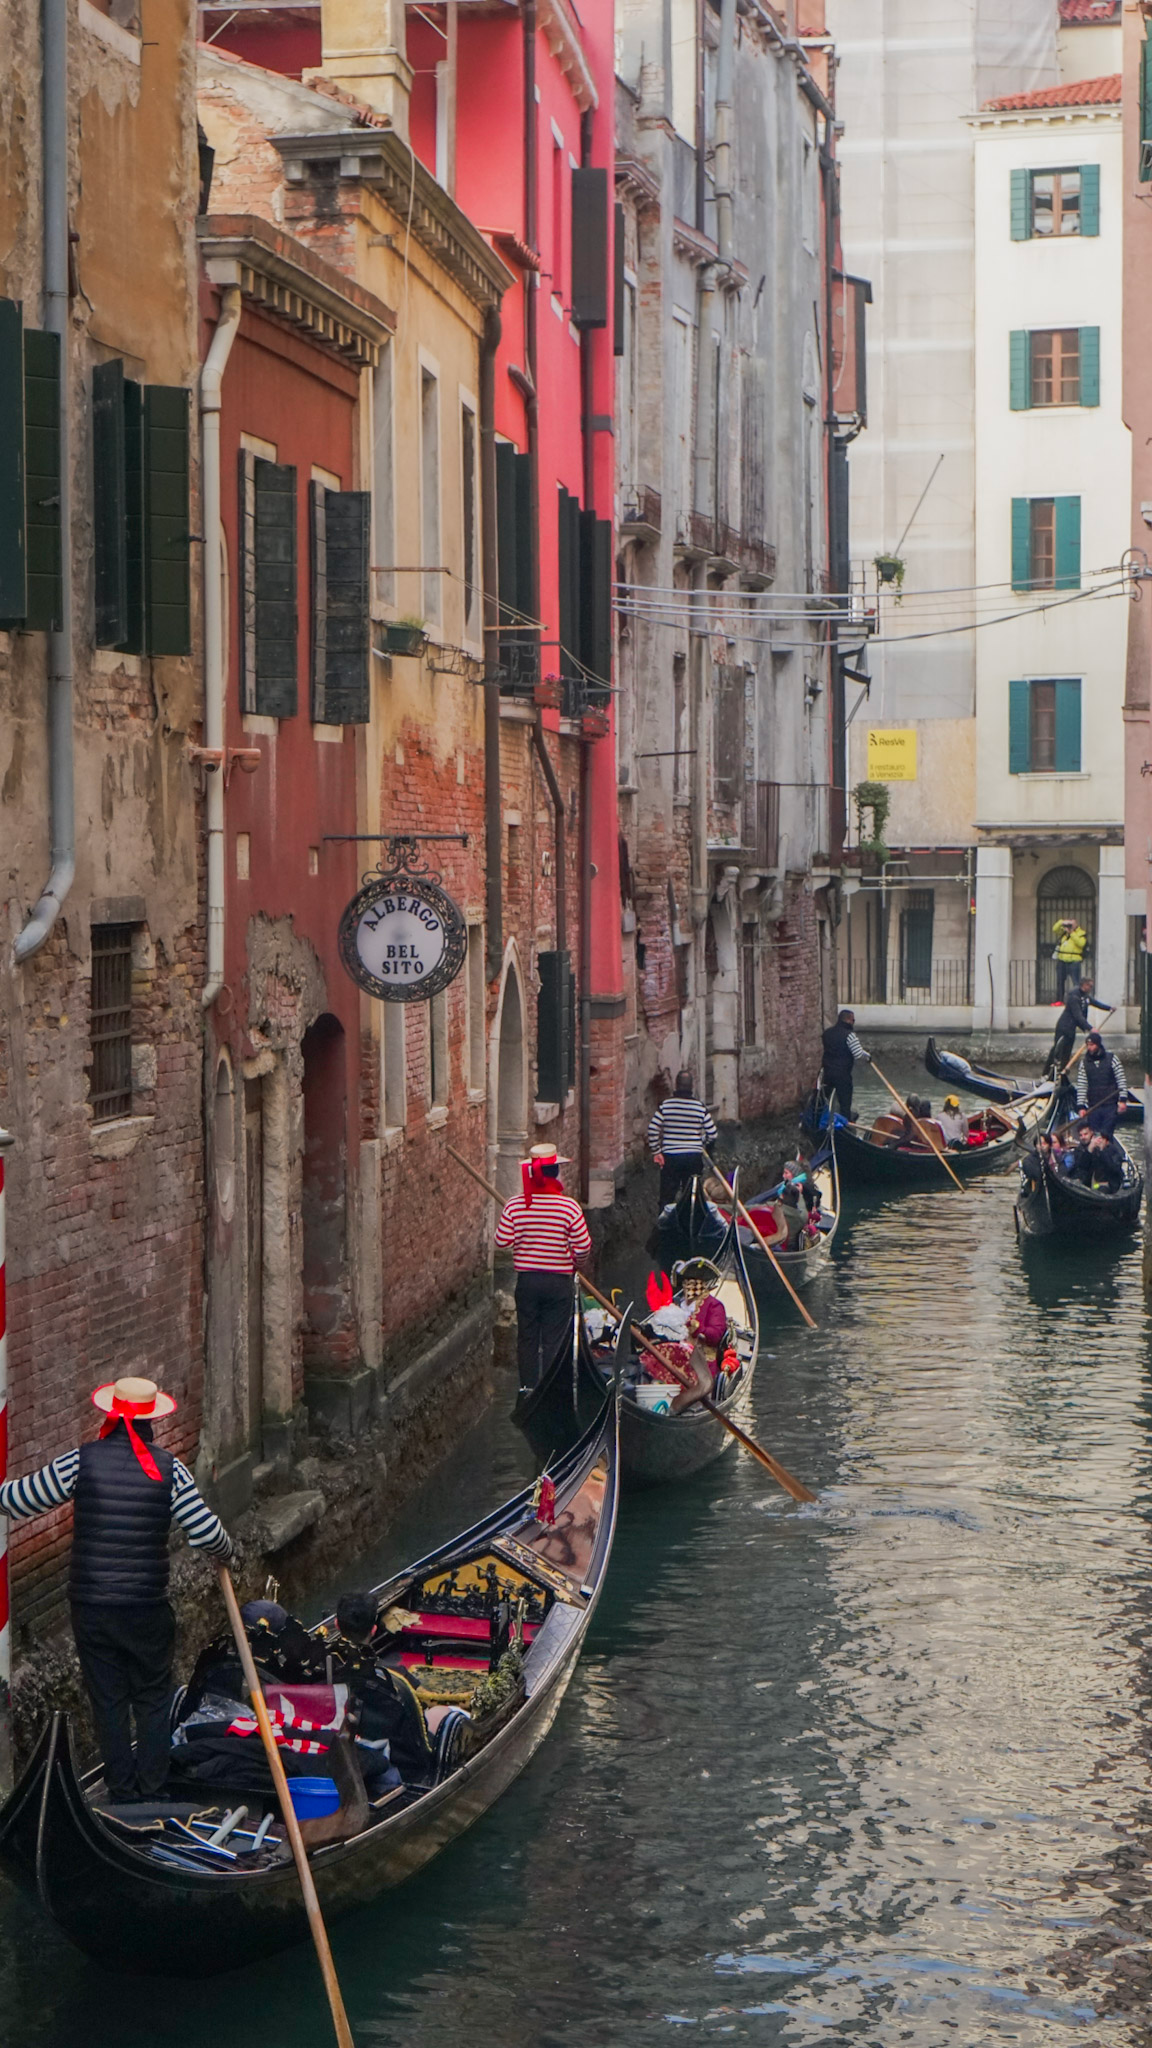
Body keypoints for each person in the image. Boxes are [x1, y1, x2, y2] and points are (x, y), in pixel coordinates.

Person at [0, 1376, 234, 1805]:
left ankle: (122, 1793)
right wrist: (228, 1552)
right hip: (146, 1607)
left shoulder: (80, 1462)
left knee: (107, 1698)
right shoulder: (170, 1469)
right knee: (151, 1696)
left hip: (92, 1606)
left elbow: (17, 1500)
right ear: (152, 1422)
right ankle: (153, 1788)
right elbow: (205, 1532)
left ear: (110, 1415)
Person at [495, 1145, 592, 1392]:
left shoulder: (515, 1205)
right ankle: (551, 1391)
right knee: (554, 1340)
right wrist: (577, 1265)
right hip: (558, 1282)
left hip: (527, 1282)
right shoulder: (568, 1207)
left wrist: (525, 1236)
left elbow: (501, 1241)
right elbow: (583, 1246)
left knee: (527, 1338)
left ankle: (527, 1389)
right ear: (556, 1173)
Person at [648, 1071, 719, 1207]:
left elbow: (652, 1129)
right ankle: (690, 1223)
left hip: (671, 1157)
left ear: (676, 1085)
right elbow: (712, 1134)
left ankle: (664, 1222)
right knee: (692, 1197)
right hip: (693, 1157)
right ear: (692, 1087)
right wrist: (700, 1142)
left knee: (667, 1197)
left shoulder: (666, 1106)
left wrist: (656, 1151)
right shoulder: (699, 1107)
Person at [1047, 976, 1110, 1077]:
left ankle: (1062, 1075)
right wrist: (1090, 1028)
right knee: (1058, 1051)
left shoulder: (1085, 996)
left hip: (1071, 1029)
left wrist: (1109, 1008)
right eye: (1090, 986)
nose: (1091, 988)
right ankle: (1048, 1075)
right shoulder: (1074, 997)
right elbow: (1078, 1016)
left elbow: (1096, 1003)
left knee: (1067, 1054)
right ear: (1084, 985)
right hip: (1064, 1028)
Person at [820, 1010, 870, 1122]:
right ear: (848, 1020)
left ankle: (820, 1121)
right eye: (853, 1020)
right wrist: (868, 1058)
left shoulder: (827, 1033)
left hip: (827, 1072)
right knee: (845, 1102)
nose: (853, 1022)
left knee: (825, 1099)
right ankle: (845, 1124)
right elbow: (857, 1054)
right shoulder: (850, 1035)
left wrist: (866, 1054)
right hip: (842, 1074)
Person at [1076, 1031, 1126, 1137]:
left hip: (1110, 1104)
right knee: (1094, 1133)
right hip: (1093, 1106)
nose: (1090, 1048)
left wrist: (1123, 1100)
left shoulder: (1112, 1059)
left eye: (1092, 1045)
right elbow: (1082, 1085)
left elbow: (1121, 1079)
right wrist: (1081, 1106)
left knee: (1107, 1133)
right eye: (1088, 1045)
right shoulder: (1084, 1064)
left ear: (1098, 1045)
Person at [1053, 916, 1089, 995]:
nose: (1070, 926)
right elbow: (1054, 929)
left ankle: (1077, 997)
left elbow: (1081, 944)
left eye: (1072, 924)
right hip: (1062, 960)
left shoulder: (1081, 933)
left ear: (1076, 924)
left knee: (1076, 982)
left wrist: (1072, 933)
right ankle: (1059, 1000)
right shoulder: (1064, 933)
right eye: (1069, 924)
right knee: (1060, 981)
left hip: (1074, 961)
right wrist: (1062, 922)